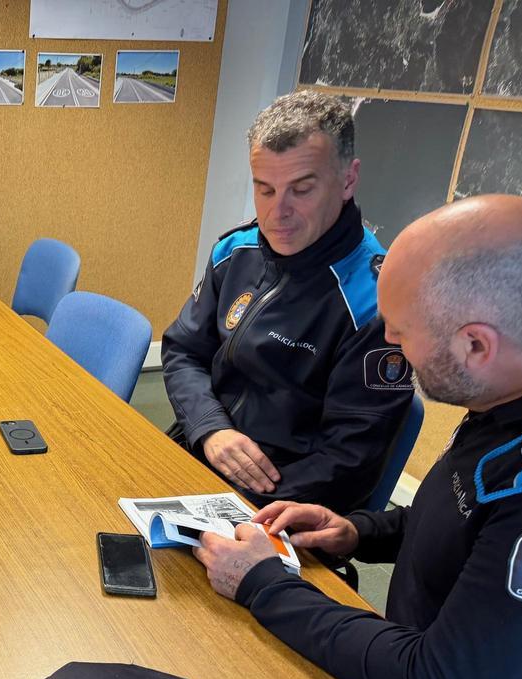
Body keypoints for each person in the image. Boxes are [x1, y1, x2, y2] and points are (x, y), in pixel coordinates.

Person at [192, 194, 522, 679]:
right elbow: (462, 527)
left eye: (402, 332)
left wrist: (262, 584)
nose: (387, 341)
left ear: (476, 345)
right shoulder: (513, 397)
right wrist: (356, 531)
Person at [161, 90, 413, 513]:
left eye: (301, 190)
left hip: (280, 499)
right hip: (203, 449)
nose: (278, 213)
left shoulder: (377, 304)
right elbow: (183, 350)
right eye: (265, 189)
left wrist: (239, 502)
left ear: (348, 180)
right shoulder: (235, 251)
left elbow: (349, 464)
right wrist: (209, 428)